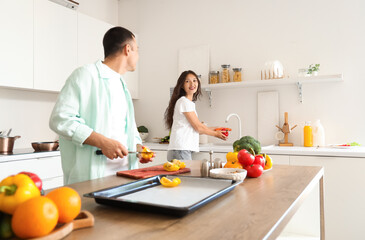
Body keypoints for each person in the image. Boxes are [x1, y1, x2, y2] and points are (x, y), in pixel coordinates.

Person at [49, 26, 153, 185]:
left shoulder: (121, 84)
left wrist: (139, 149)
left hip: (124, 177)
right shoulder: (85, 75)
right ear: (128, 49)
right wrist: (102, 142)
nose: (138, 56)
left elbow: (128, 129)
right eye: (137, 50)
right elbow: (60, 119)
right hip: (92, 178)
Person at [164, 70, 228, 161]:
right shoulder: (184, 102)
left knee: (181, 176)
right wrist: (215, 134)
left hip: (180, 150)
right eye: (187, 81)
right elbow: (198, 128)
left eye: (194, 80)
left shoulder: (187, 102)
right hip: (180, 150)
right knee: (184, 176)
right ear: (182, 85)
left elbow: (197, 128)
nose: (192, 84)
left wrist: (216, 128)